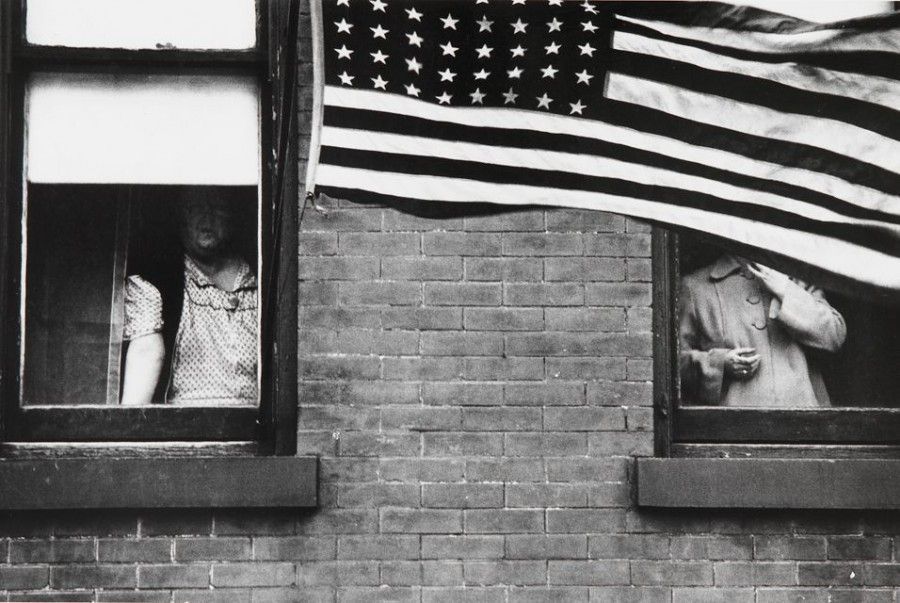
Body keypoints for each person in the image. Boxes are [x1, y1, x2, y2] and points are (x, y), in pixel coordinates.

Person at [120, 192, 258, 405]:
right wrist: (127, 430)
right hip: (187, 429)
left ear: (232, 216)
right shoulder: (159, 281)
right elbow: (146, 352)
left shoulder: (259, 280)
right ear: (180, 216)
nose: (207, 217)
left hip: (254, 429)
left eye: (218, 208)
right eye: (195, 208)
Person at [679, 254, 846, 407]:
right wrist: (719, 363)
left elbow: (835, 335)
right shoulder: (696, 287)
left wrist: (786, 290)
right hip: (734, 427)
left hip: (802, 422)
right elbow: (673, 363)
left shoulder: (797, 278)